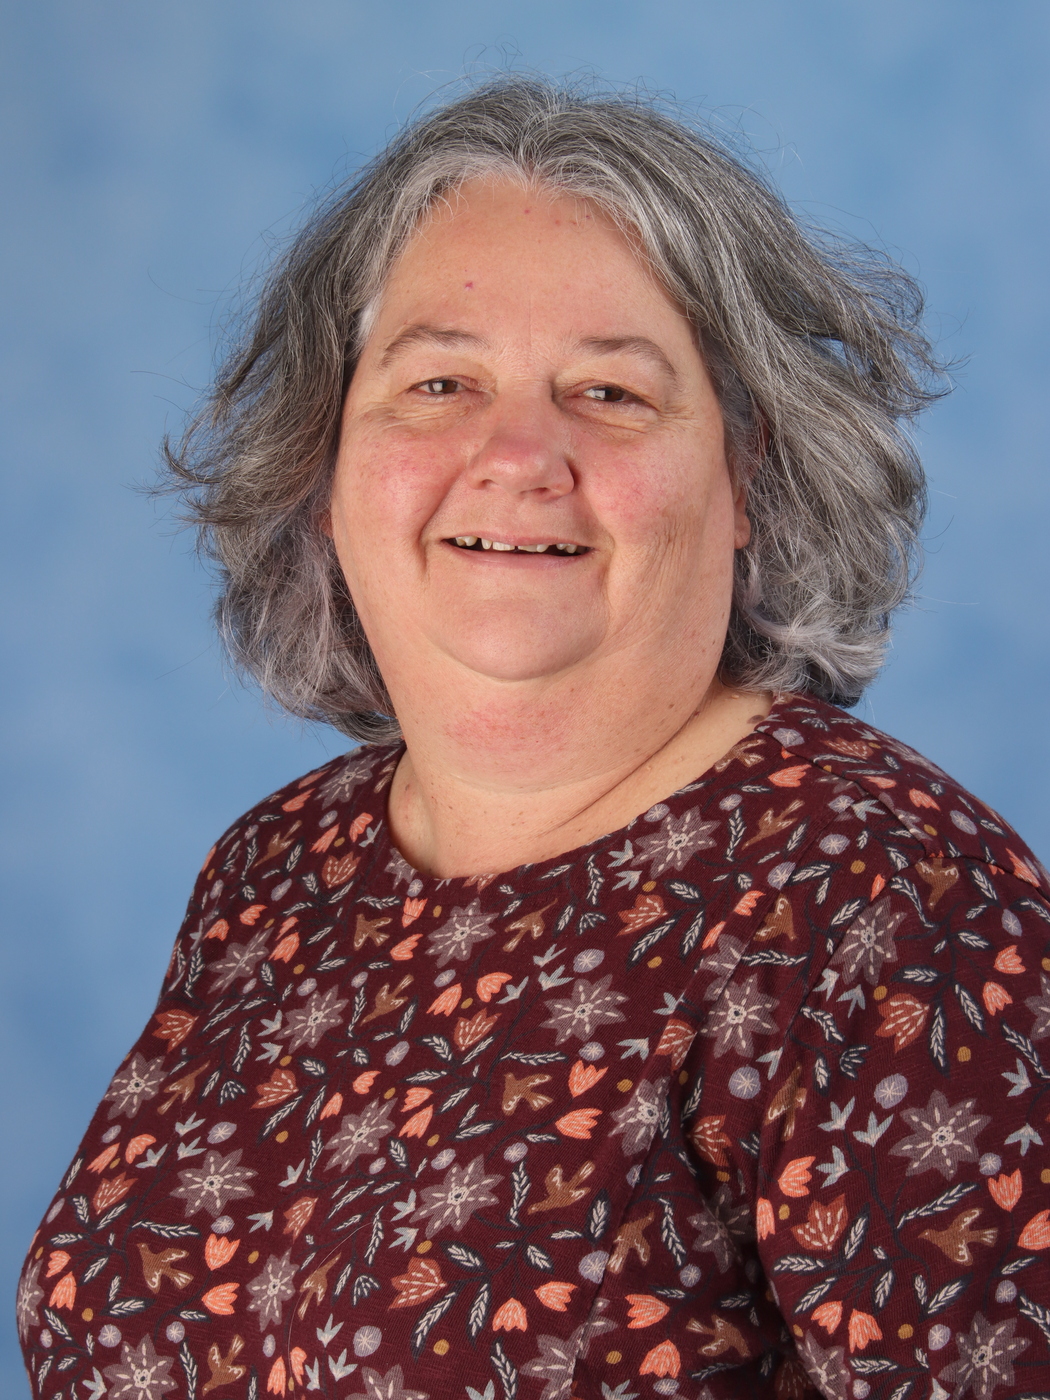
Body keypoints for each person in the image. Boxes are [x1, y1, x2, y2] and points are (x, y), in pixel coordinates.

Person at [18, 78, 1050, 1400]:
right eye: (438, 382)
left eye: (610, 392)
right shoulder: (276, 872)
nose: (517, 453)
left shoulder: (887, 896)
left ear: (746, 476)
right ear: (327, 469)